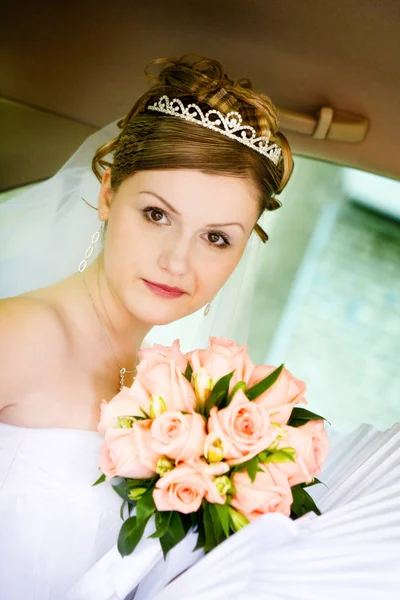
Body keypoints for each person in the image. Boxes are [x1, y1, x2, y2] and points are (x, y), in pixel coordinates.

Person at [0, 55, 293, 598]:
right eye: (157, 214)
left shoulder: (170, 394)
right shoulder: (18, 336)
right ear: (109, 196)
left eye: (216, 237)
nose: (178, 261)